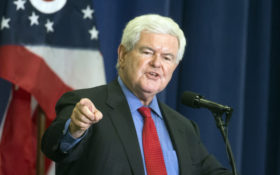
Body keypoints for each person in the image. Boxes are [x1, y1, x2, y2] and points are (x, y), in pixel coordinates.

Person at [41, 14, 233, 175]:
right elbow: (55, 147)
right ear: (123, 54)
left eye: (167, 58)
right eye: (148, 52)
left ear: (174, 67)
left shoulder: (183, 127)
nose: (157, 63)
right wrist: (75, 129)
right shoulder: (87, 105)